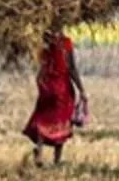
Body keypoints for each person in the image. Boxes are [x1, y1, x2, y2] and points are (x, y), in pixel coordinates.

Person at [23, 28, 86, 166]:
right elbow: (72, 68)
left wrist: (40, 81)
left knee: (43, 116)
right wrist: (81, 89)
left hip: (46, 84)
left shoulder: (43, 42)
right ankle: (57, 159)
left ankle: (39, 151)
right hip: (61, 86)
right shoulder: (65, 43)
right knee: (61, 119)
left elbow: (41, 65)